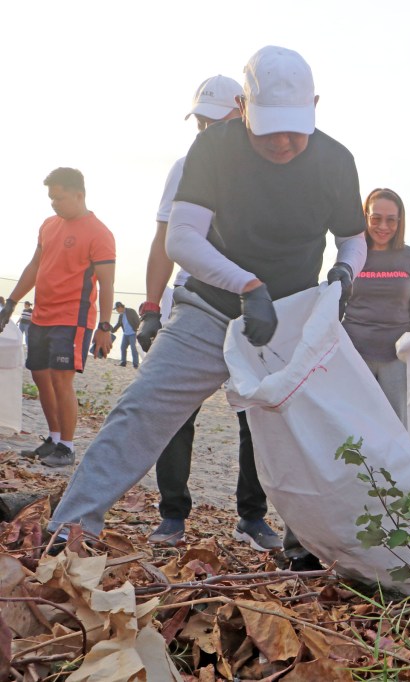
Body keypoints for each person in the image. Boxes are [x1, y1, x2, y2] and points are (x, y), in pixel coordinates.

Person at [45, 47, 366, 564]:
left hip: (290, 323)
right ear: (243, 107)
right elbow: (183, 238)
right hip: (211, 307)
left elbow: (353, 238)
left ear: (316, 105)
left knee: (314, 434)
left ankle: (311, 547)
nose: (284, 142)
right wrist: (247, 285)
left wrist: (345, 272)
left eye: (296, 128)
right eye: (270, 129)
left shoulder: (335, 160)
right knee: (141, 409)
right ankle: (69, 530)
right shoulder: (214, 148)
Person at [137, 74, 291, 551]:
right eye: (199, 121)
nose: (204, 130)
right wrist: (148, 305)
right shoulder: (187, 165)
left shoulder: (273, 169)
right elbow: (165, 239)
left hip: (253, 306)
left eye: (214, 120)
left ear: (243, 113)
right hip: (197, 300)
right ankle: (172, 515)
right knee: (175, 412)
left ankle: (252, 516)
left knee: (255, 414)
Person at [0, 168, 115, 468]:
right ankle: (52, 438)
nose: (54, 203)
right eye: (51, 197)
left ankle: (67, 445)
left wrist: (105, 326)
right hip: (41, 315)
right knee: (40, 375)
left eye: (59, 197)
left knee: (61, 379)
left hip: (72, 318)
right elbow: (35, 266)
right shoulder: (49, 225)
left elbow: (107, 283)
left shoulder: (99, 232)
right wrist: (10, 303)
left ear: (79, 194)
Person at [343, 188, 410, 425]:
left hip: (396, 357)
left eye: (391, 220)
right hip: (355, 353)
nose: (383, 226)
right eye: (376, 218)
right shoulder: (353, 252)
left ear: (400, 222)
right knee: (354, 426)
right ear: (365, 217)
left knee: (396, 426)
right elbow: (338, 301)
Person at [110, 302, 140, 368]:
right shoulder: (121, 316)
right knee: (123, 348)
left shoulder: (131, 311)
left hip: (133, 334)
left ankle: (135, 364)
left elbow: (138, 321)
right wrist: (111, 329)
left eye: (117, 309)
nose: (117, 311)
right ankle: (123, 362)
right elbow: (118, 325)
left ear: (120, 307)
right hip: (126, 334)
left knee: (133, 349)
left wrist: (137, 330)